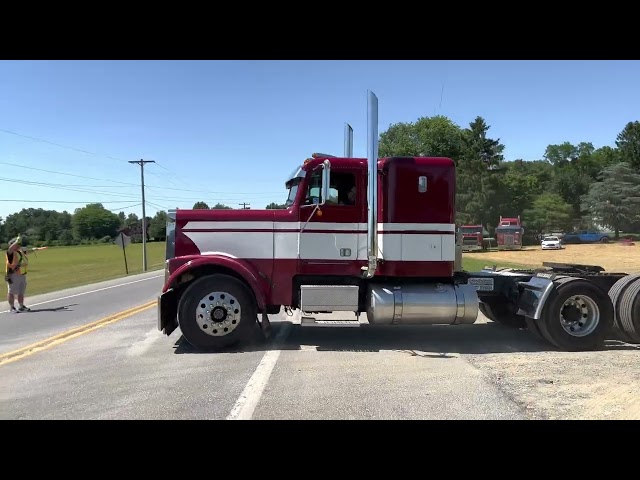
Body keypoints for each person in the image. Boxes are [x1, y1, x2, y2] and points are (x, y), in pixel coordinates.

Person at [5, 236, 30, 313]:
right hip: (13, 275)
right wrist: (16, 241)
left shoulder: (19, 252)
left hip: (21, 274)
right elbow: (10, 249)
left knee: (21, 291)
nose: (19, 245)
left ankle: (21, 306)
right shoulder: (10, 253)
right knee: (11, 292)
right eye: (17, 244)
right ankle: (12, 307)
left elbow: (27, 251)